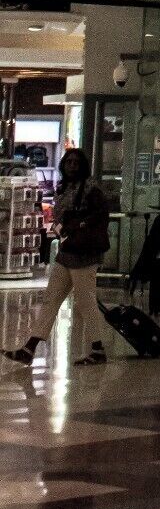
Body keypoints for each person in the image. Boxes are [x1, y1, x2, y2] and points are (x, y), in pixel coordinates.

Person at [6, 149, 111, 368]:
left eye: (76, 162)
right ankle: (29, 348)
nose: (72, 166)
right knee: (51, 299)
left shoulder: (91, 189)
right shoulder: (63, 188)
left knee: (85, 300)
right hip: (67, 251)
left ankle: (98, 348)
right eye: (69, 162)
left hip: (84, 253)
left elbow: (101, 215)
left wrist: (80, 224)